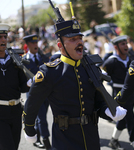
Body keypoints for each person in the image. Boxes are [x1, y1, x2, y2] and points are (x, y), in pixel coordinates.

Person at [23, 16, 127, 150]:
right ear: (60, 45)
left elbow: (98, 100)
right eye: (72, 40)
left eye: (80, 38)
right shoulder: (50, 73)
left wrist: (108, 110)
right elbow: (31, 105)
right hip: (65, 140)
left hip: (91, 137)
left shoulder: (90, 68)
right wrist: (30, 131)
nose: (79, 43)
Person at [0, 23, 30, 150]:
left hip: (15, 112)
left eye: (5, 36)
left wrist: (31, 83)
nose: (4, 40)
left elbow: (23, 87)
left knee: (14, 147)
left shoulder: (15, 60)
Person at [102, 35, 134, 149]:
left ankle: (113, 140)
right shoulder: (110, 62)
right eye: (122, 44)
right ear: (116, 47)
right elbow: (102, 78)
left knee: (123, 118)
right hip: (119, 95)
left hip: (131, 94)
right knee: (130, 118)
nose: (126, 46)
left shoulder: (131, 59)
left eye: (126, 43)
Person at [22, 34, 51, 149]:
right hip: (34, 94)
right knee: (42, 118)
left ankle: (37, 138)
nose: (35, 45)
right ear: (28, 45)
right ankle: (46, 141)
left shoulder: (43, 58)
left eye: (36, 43)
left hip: (46, 93)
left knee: (41, 117)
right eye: (33, 43)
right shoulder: (24, 60)